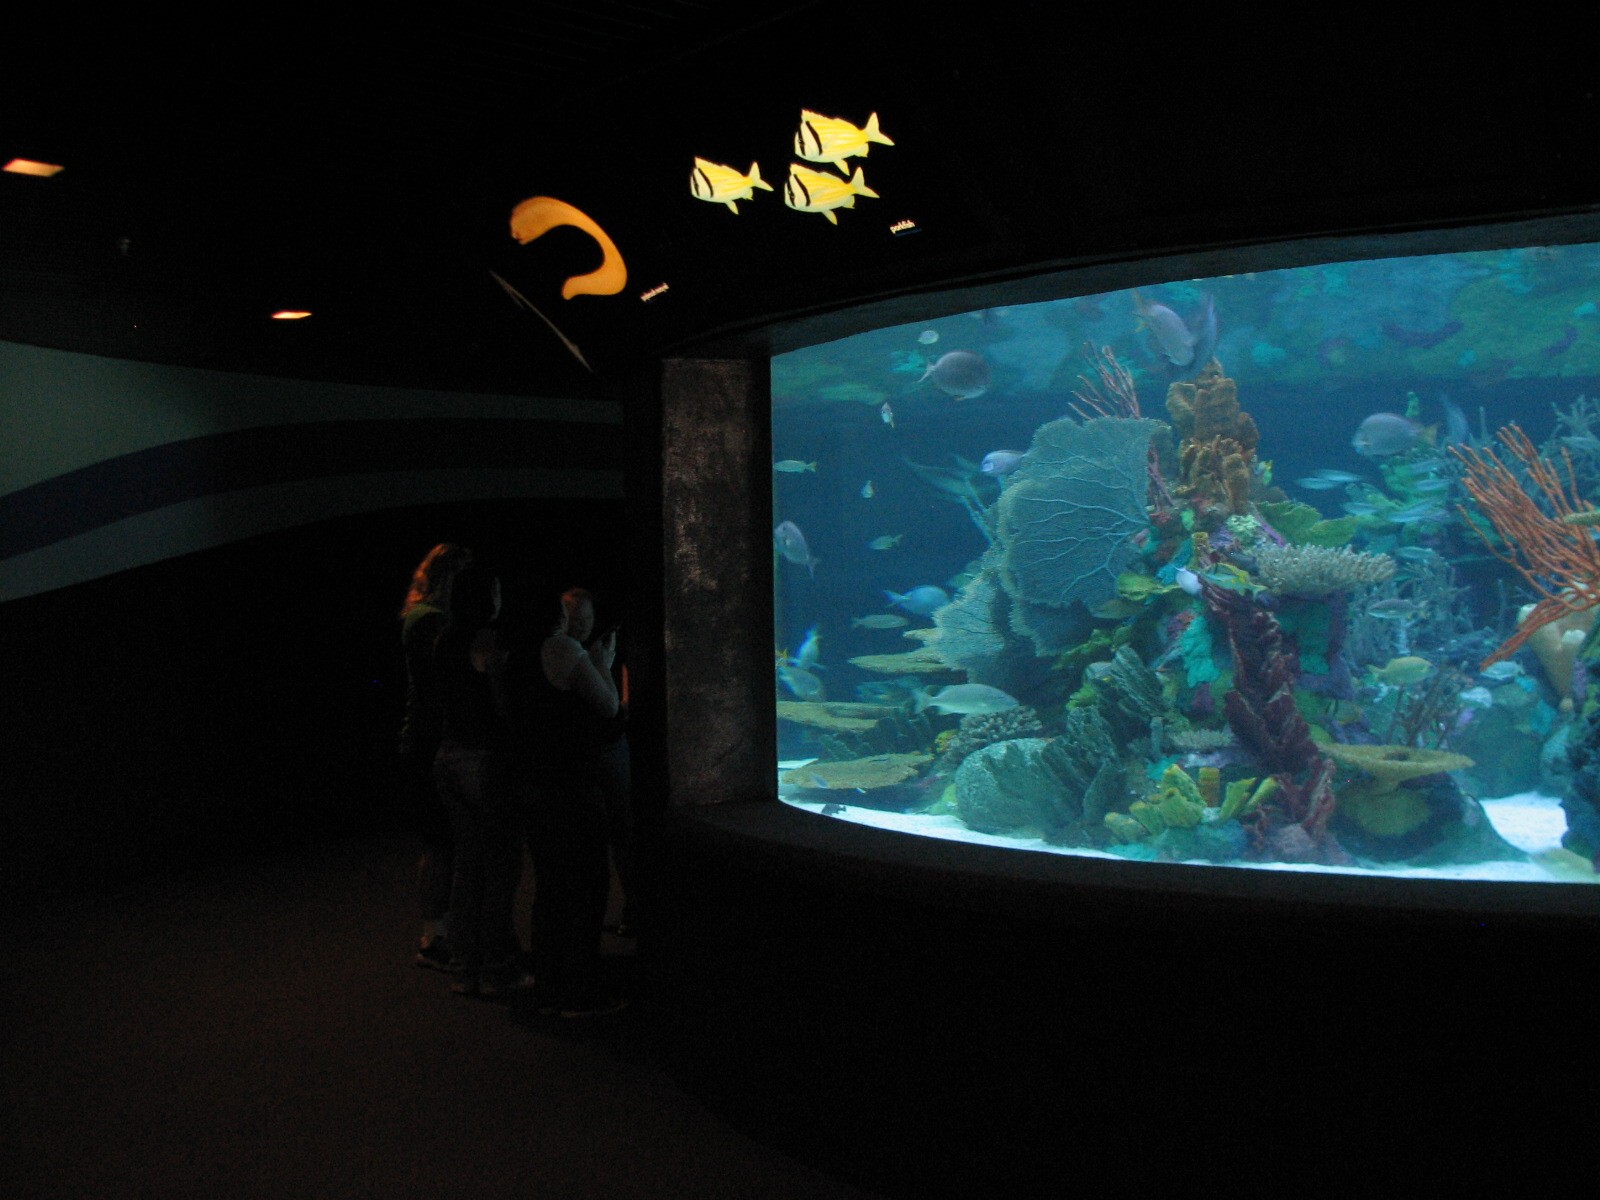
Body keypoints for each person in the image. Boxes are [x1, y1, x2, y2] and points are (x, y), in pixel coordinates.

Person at [514, 587, 628, 1017]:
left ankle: (550, 982)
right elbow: (608, 705)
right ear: (557, 616)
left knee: (551, 888)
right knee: (586, 884)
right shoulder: (561, 649)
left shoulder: (518, 653)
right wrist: (603, 660)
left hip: (533, 783)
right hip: (568, 783)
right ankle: (580, 991)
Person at [432, 562, 534, 998]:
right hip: (483, 762)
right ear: (483, 596)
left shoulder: (443, 640)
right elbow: (499, 706)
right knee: (501, 866)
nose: (500, 597)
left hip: (447, 758)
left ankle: (462, 966)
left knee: (467, 864)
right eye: (494, 589)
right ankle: (497, 968)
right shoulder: (485, 639)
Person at [397, 542, 472, 971]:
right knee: (442, 842)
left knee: (443, 842)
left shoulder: (424, 617)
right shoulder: (431, 621)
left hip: (429, 741)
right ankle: (434, 936)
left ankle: (440, 933)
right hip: (429, 743)